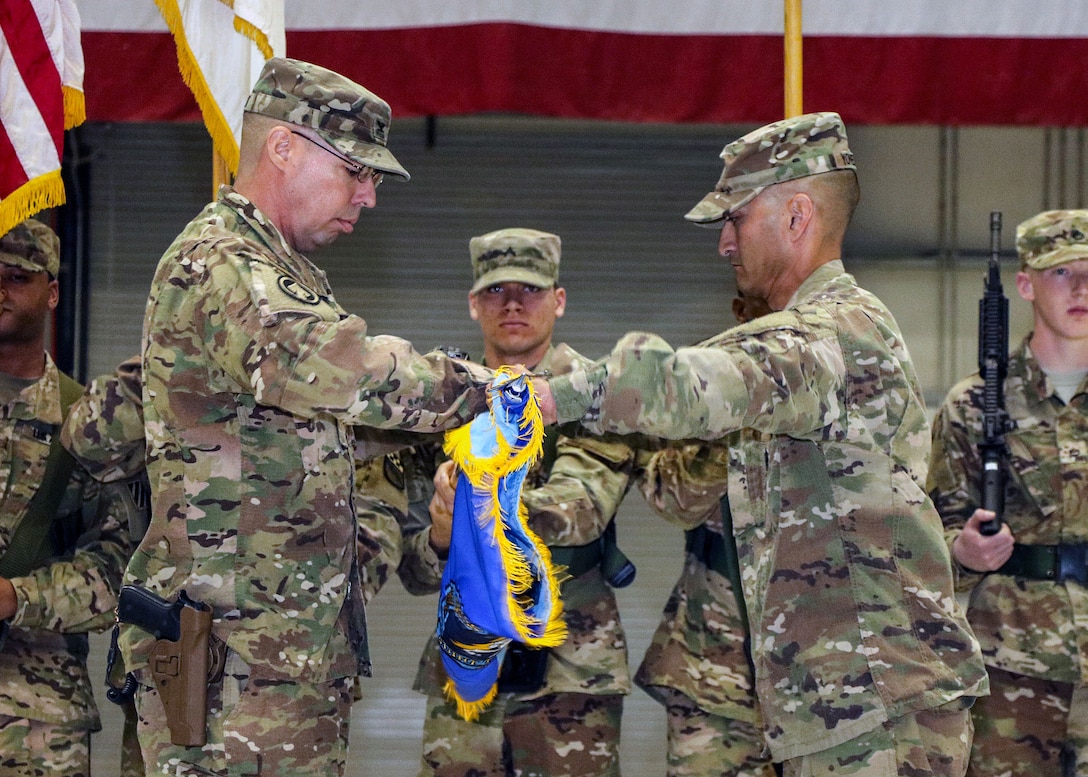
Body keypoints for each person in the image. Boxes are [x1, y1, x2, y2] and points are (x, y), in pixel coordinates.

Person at [533, 111, 988, 776]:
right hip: (833, 704)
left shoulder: (837, 331)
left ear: (797, 215)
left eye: (736, 218)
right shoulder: (807, 334)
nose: (724, 243)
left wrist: (553, 394)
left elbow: (700, 379)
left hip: (878, 707)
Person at [117, 57, 491, 777]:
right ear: (283, 148)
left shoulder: (282, 272)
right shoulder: (219, 261)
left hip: (280, 661)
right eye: (357, 170)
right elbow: (331, 364)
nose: (369, 196)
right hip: (229, 669)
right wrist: (485, 388)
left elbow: (321, 438)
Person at [359, 228, 637, 777]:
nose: (512, 304)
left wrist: (481, 504)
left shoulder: (593, 393)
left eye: (530, 290)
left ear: (558, 300)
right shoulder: (441, 405)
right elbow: (414, 572)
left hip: (570, 675)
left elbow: (581, 510)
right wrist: (441, 535)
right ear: (472, 303)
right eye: (495, 291)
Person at [928, 209, 1088, 776]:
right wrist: (963, 552)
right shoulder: (973, 404)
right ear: (1025, 284)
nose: (1082, 288)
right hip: (1012, 664)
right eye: (1061, 273)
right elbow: (935, 533)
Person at [0, 218, 132, 777]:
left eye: (16, 276)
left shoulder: (89, 423)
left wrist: (15, 596)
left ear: (52, 292)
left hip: (37, 720)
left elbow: (116, 568)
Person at [634, 292, 776, 777]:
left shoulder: (847, 372)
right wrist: (739, 420)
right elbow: (671, 497)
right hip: (714, 668)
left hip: (828, 674)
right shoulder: (698, 383)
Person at [61, 354, 148, 777]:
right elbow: (87, 439)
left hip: (292, 659)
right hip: (179, 654)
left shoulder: (330, 364)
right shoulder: (177, 365)